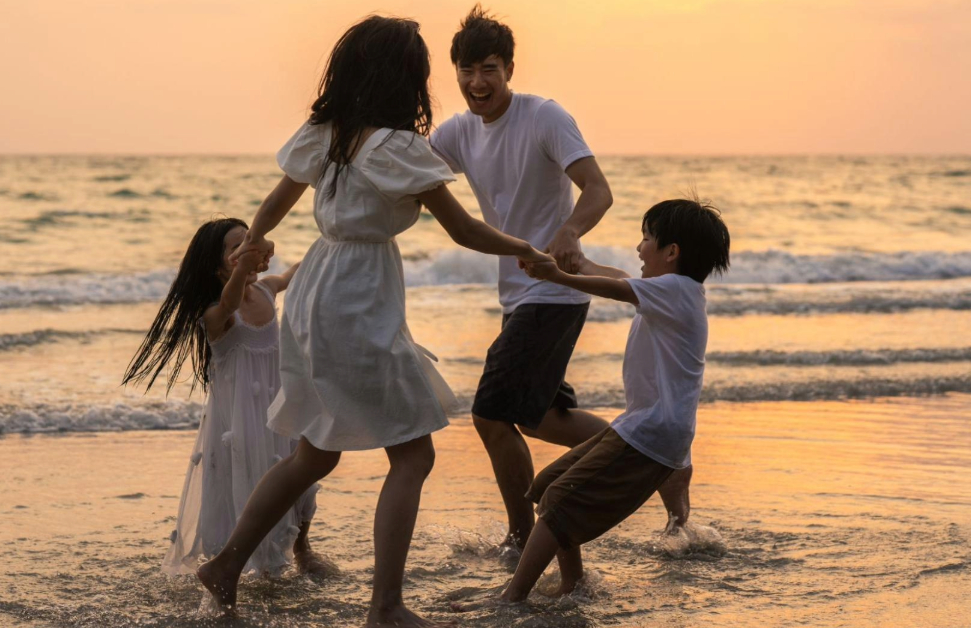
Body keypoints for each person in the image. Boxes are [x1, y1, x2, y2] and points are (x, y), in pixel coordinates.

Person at [194, 15, 552, 628]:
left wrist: (254, 243)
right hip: (358, 297)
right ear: (406, 78)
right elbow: (463, 229)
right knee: (412, 456)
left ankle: (225, 566)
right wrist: (527, 248)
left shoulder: (327, 132)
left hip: (315, 294)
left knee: (314, 453)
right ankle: (385, 607)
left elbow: (277, 202)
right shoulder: (398, 148)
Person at [428, 6, 618, 557]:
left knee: (490, 413)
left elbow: (597, 189)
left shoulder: (544, 117)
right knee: (540, 417)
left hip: (554, 289)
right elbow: (408, 174)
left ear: (510, 68)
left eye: (489, 68)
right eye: (466, 70)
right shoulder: (459, 132)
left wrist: (570, 233)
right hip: (517, 295)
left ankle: (519, 536)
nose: (476, 83)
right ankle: (649, 454)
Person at [477, 198, 730, 604]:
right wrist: (572, 262)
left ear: (671, 252)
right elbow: (615, 276)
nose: (638, 247)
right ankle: (573, 585)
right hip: (642, 426)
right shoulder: (675, 291)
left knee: (559, 501)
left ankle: (512, 596)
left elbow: (614, 287)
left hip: (651, 434)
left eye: (646, 238)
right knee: (546, 487)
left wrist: (558, 276)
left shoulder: (675, 291)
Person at [122, 218, 335, 578]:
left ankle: (302, 547)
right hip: (241, 420)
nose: (250, 249)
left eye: (251, 240)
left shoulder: (267, 290)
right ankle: (249, 563)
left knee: (301, 477)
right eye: (238, 247)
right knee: (252, 482)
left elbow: (294, 275)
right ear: (216, 263)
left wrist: (331, 241)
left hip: (281, 404)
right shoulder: (215, 313)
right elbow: (230, 297)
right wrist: (244, 267)